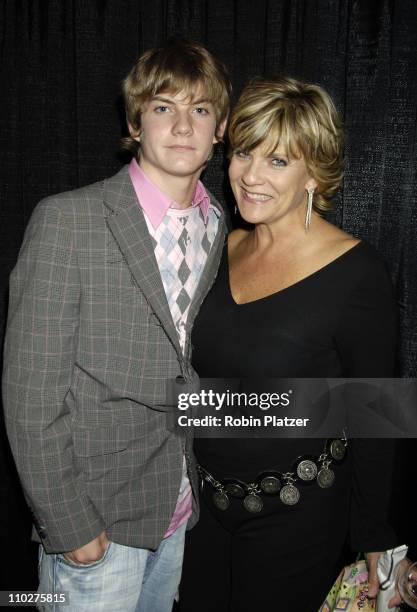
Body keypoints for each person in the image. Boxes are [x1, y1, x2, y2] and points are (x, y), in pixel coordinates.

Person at [2, 38, 230, 611]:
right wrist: (70, 525)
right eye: (162, 108)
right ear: (135, 123)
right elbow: (31, 397)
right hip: (95, 524)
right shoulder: (68, 221)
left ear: (220, 128)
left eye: (199, 110)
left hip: (176, 513)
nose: (182, 125)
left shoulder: (219, 225)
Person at [179, 77, 400, 611]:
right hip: (201, 514)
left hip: (297, 520)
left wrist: (380, 543)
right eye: (244, 153)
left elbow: (379, 416)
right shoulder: (217, 248)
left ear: (313, 174)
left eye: (278, 161)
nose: (250, 176)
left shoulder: (356, 273)